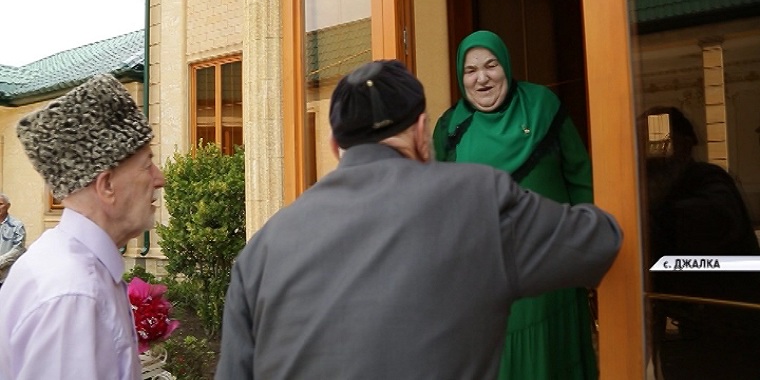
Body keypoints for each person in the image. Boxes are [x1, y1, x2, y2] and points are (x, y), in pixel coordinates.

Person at [215, 59, 622, 379]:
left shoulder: (261, 251)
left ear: (335, 146)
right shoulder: (478, 200)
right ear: (423, 132)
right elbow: (599, 242)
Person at [433, 30, 598, 379]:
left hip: (552, 265)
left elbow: (580, 175)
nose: (481, 78)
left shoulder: (542, 106)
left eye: (491, 65)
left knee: (554, 359)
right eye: (470, 70)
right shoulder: (450, 128)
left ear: (505, 66)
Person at [0, 74, 165, 380]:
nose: (160, 178)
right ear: (107, 186)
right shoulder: (75, 295)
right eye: (147, 164)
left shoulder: (70, 271)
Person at [643, 106, 760, 379]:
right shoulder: (667, 186)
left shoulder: (708, 178)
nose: (649, 155)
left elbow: (715, 227)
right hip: (693, 329)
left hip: (728, 329)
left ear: (683, 145)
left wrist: (648, 216)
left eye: (657, 145)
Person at [0, 193, 25, 290]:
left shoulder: (16, 225)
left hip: (7, 276)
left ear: (8, 206)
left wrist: (1, 262)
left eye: (0, 204)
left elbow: (18, 249)